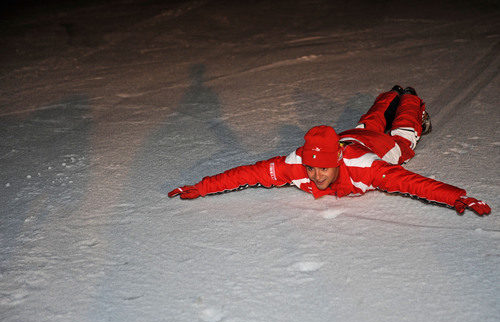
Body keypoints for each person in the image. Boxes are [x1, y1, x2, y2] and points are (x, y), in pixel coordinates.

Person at [168, 86, 491, 216]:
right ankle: (390, 92)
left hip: (379, 147)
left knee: (405, 130)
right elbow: (244, 174)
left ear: (337, 160)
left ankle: (407, 97)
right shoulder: (295, 165)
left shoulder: (369, 168)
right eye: (311, 168)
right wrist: (201, 187)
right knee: (368, 121)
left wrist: (454, 196)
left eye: (322, 169)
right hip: (350, 136)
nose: (315, 175)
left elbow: (412, 183)